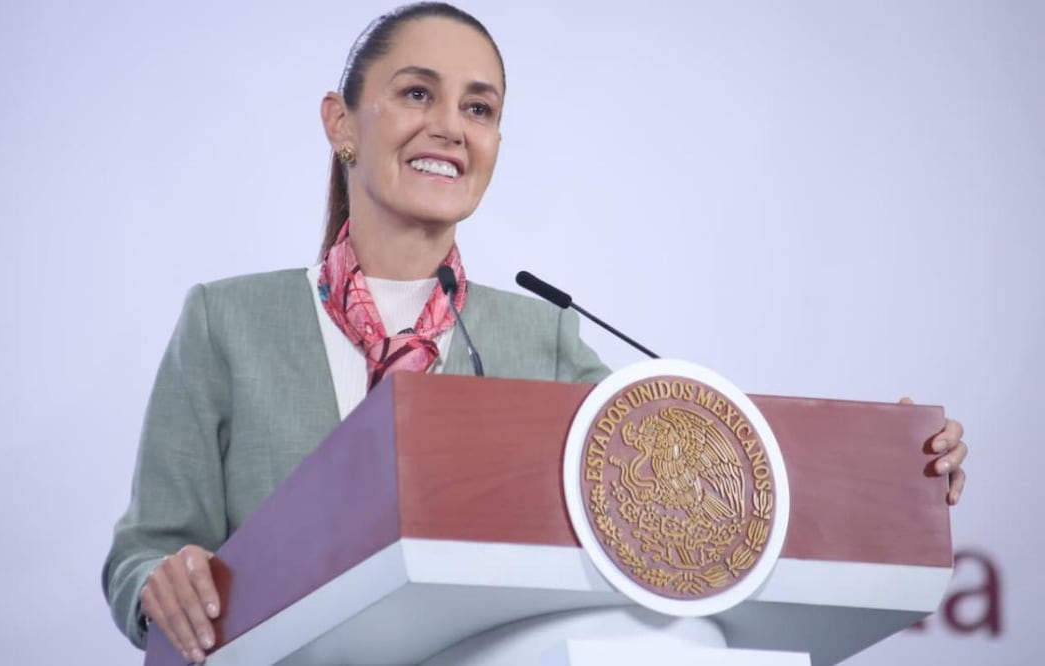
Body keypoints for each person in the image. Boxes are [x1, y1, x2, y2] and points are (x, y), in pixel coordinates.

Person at [102, 3, 969, 664]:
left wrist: (877, 467)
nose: (450, 126)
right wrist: (161, 584)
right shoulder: (226, 320)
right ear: (341, 123)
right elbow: (142, 553)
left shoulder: (543, 337)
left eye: (478, 109)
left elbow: (683, 479)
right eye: (416, 93)